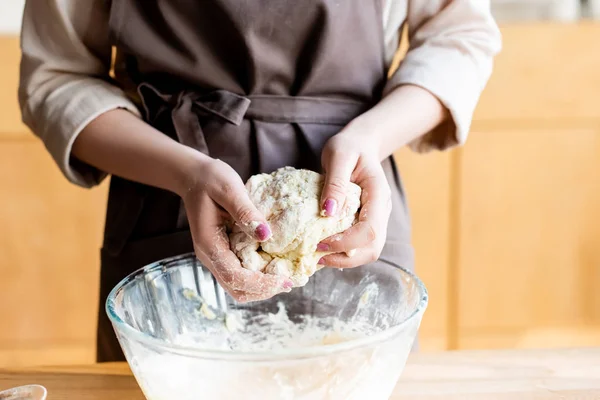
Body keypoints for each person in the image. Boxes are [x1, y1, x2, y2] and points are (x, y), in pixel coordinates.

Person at [19, 0, 501, 362]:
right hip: (168, 202)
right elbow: (57, 77)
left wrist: (371, 139)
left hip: (351, 211)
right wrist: (185, 174)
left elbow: (458, 35)